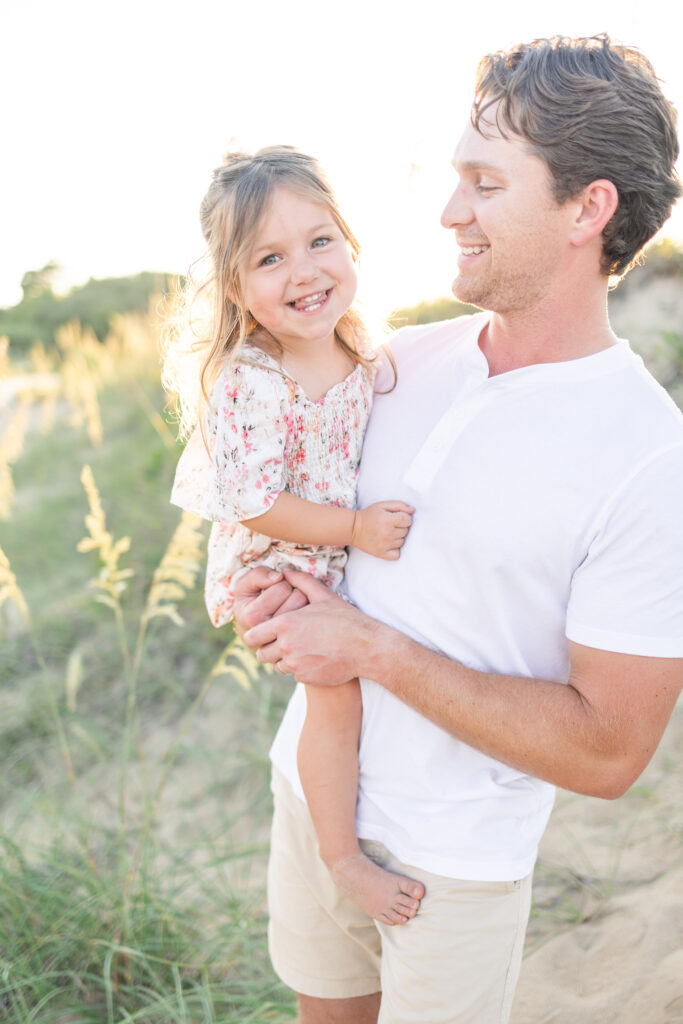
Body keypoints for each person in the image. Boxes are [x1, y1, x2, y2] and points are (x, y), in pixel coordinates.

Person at [234, 35, 683, 1024]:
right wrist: (272, 597)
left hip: (453, 865)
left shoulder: (647, 457)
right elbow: (295, 526)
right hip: (310, 794)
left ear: (586, 208)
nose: (447, 210)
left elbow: (608, 754)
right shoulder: (391, 361)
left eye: (482, 182)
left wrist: (371, 649)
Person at [165, 147, 423, 931]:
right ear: (237, 288)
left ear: (349, 242)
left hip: (327, 548)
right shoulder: (256, 377)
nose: (304, 270)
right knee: (334, 696)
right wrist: (350, 529)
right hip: (276, 562)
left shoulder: (354, 341)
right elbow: (253, 501)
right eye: (269, 259)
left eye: (319, 242)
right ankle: (343, 860)